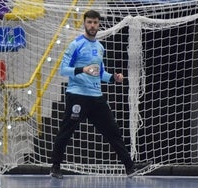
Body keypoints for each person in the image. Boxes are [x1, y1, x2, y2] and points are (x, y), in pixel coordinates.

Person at [50, 10, 151, 179]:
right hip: (77, 96)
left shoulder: (99, 47)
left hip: (96, 97)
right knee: (66, 132)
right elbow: (63, 70)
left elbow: (100, 73)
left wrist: (113, 78)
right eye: (89, 22)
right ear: (84, 23)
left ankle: (130, 167)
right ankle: (55, 167)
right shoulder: (76, 44)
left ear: (99, 24)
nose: (92, 25)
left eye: (95, 22)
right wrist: (83, 69)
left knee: (113, 131)